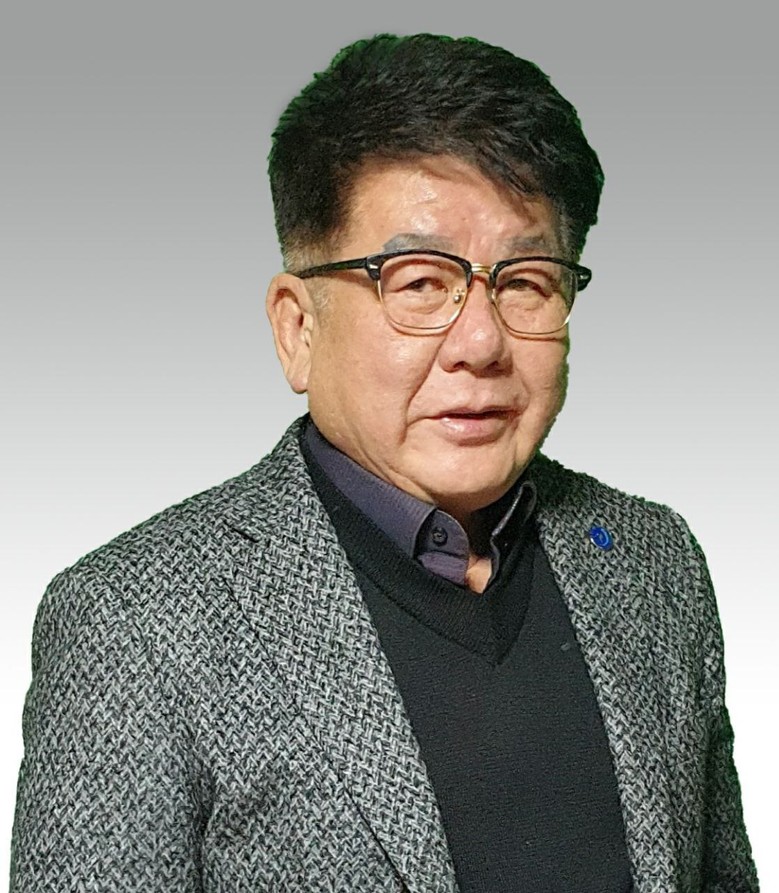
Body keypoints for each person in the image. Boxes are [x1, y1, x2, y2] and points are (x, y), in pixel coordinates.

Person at [10, 33, 758, 893]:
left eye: (526, 280)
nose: (481, 342)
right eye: (419, 281)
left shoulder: (652, 562)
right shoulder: (137, 621)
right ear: (297, 327)